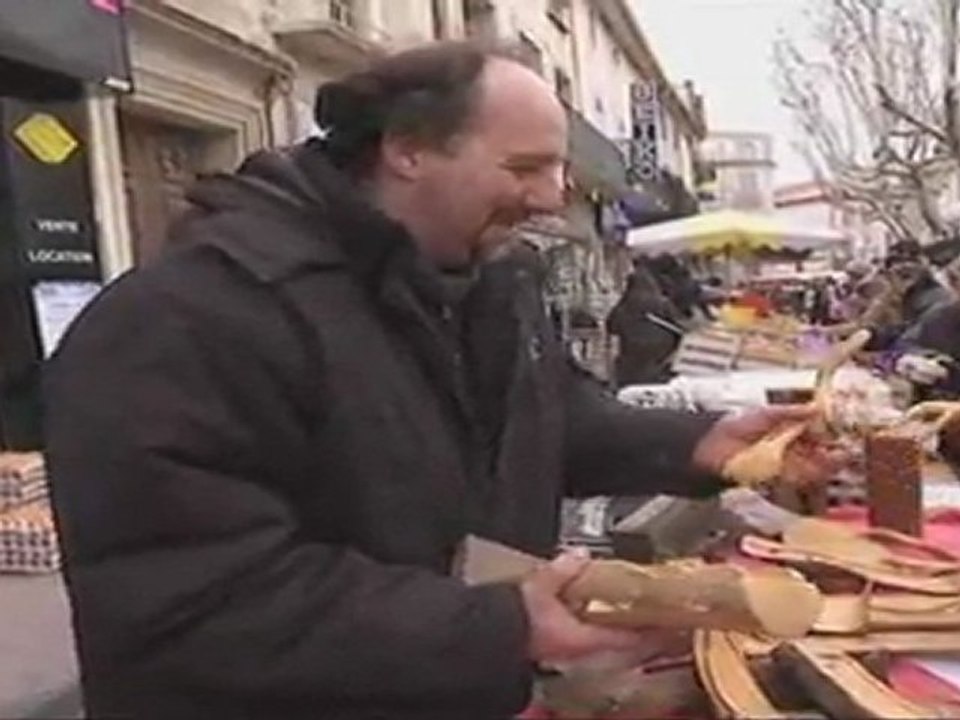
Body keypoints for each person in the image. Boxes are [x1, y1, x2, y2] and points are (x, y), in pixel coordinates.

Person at [44, 41, 835, 720]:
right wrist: (497, 628)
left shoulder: (489, 284)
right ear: (408, 150)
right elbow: (200, 597)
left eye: (557, 169)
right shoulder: (187, 319)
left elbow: (549, 418)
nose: (553, 197)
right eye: (525, 167)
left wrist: (704, 445)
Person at [606, 265, 684, 387]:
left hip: (632, 352)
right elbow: (677, 323)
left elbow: (611, 326)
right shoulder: (662, 303)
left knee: (631, 382)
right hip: (661, 349)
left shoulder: (625, 305)